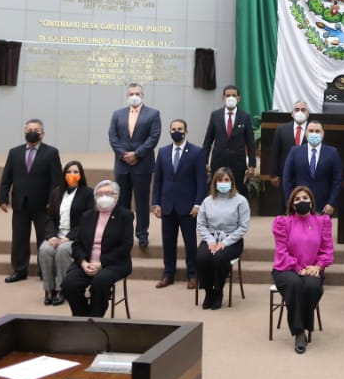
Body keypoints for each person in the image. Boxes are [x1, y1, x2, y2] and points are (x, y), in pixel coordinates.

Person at [0, 118, 63, 283]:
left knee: (44, 239)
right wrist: (3, 198)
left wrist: (53, 202)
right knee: (19, 239)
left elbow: (56, 181)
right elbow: (6, 177)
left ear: (42, 134)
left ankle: (44, 270)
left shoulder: (51, 152)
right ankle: (19, 270)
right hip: (20, 203)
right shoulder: (14, 152)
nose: (32, 132)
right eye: (29, 130)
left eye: (36, 130)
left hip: (43, 205)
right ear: (25, 133)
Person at [272, 186, 334, 353]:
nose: (301, 201)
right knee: (294, 285)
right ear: (292, 205)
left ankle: (301, 323)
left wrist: (318, 266)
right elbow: (282, 251)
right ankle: (300, 332)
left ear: (311, 201)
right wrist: (299, 269)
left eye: (305, 198)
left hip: (312, 268)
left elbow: (327, 250)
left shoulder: (322, 222)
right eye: (297, 199)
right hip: (286, 268)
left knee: (312, 286)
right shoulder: (283, 223)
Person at [61, 179, 134, 318]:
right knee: (68, 284)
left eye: (108, 193)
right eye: (100, 194)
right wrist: (83, 263)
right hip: (86, 262)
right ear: (95, 198)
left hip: (113, 263)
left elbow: (126, 246)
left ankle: (95, 318)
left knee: (99, 283)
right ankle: (82, 317)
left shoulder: (125, 216)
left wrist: (101, 264)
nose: (104, 197)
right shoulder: (87, 216)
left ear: (116, 196)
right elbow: (77, 244)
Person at [152, 119, 207, 290]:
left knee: (190, 243)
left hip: (188, 207)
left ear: (186, 131)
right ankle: (168, 274)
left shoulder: (197, 152)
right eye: (174, 129)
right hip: (167, 205)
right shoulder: (162, 152)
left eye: (180, 129)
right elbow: (158, 180)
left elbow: (201, 182)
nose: (177, 131)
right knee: (168, 242)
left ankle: (192, 275)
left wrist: (198, 204)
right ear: (169, 131)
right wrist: (156, 203)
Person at [108, 82, 161, 249]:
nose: (134, 96)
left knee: (142, 201)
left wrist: (137, 154)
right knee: (122, 201)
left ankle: (142, 234)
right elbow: (113, 136)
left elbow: (154, 137)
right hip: (122, 164)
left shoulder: (153, 114)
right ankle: (123, 234)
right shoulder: (117, 114)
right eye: (131, 93)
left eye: (137, 93)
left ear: (142, 95)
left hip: (142, 164)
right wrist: (124, 154)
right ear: (127, 96)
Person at [38, 160, 95, 306]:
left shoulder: (87, 193)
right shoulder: (57, 192)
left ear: (81, 175)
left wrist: (68, 238)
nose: (72, 175)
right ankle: (49, 289)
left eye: (75, 172)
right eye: (69, 172)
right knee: (44, 249)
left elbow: (86, 221)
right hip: (57, 234)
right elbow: (49, 218)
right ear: (64, 175)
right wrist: (51, 236)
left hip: (75, 237)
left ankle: (63, 288)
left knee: (62, 251)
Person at [195, 167, 251, 310]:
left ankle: (218, 291)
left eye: (226, 180)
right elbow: (201, 225)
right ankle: (209, 291)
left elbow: (243, 227)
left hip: (232, 240)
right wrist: (211, 241)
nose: (223, 183)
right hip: (211, 238)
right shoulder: (207, 201)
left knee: (219, 258)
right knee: (202, 257)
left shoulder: (241, 201)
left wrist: (225, 242)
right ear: (215, 183)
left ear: (232, 182)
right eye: (220, 180)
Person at [282, 119, 343, 215]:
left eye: (317, 131)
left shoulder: (333, 153)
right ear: (306, 133)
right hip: (299, 204)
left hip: (323, 206)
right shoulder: (295, 151)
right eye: (311, 131)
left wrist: (331, 203)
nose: (314, 134)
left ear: (323, 134)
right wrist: (290, 202)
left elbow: (337, 180)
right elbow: (287, 178)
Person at [202, 84, 257, 190]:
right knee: (217, 191)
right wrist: (204, 161)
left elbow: (250, 143)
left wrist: (251, 165)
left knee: (236, 191)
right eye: (228, 95)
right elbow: (208, 141)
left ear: (239, 98)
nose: (231, 98)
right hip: (218, 162)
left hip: (238, 164)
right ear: (223, 98)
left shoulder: (245, 117)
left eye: (234, 95)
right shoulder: (215, 115)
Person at [269, 100, 310, 189]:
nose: (300, 112)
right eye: (297, 109)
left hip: (307, 176)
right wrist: (274, 174)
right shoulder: (281, 129)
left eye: (303, 110)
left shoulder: (313, 130)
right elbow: (275, 153)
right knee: (286, 201)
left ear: (308, 113)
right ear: (292, 113)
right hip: (286, 175)